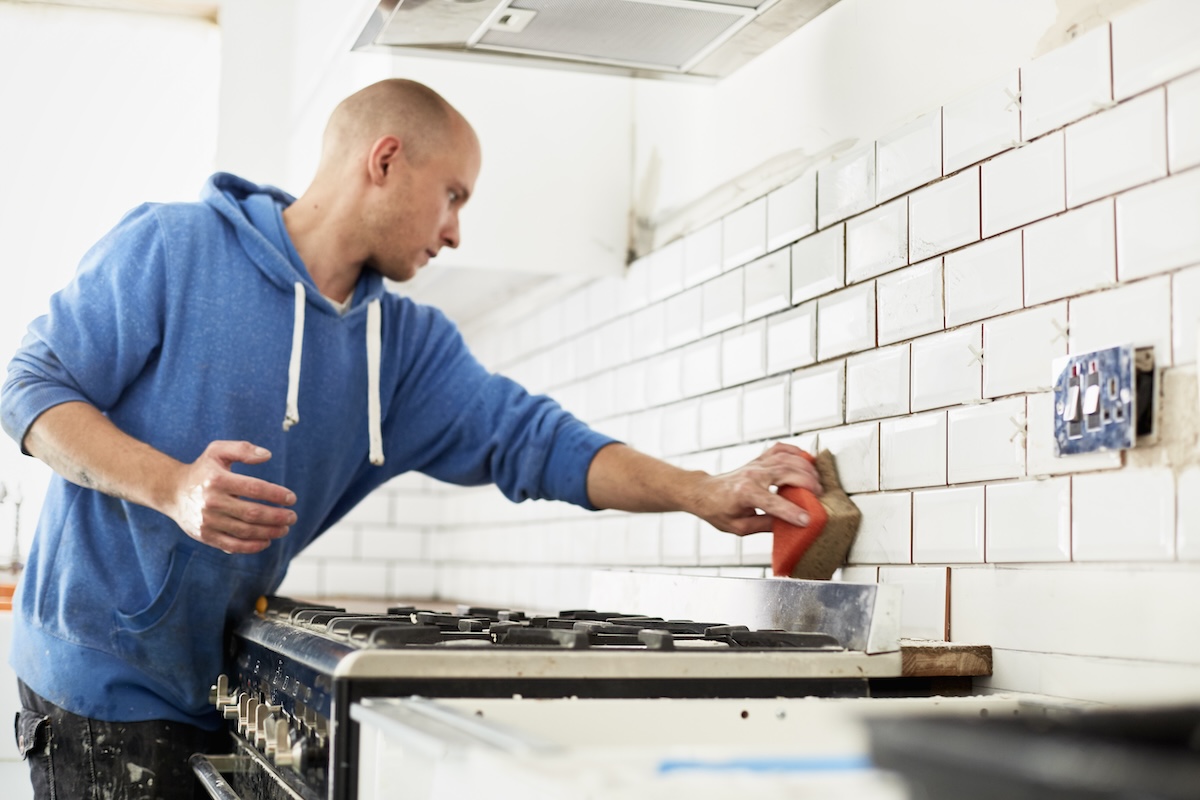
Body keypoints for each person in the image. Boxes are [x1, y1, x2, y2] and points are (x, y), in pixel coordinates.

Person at [0, 79, 822, 799]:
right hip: (98, 679)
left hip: (213, 681)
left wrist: (703, 492)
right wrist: (171, 485)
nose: (457, 231)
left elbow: (534, 441)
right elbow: (27, 390)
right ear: (385, 160)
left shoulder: (403, 349)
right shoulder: (174, 249)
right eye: (454, 195)